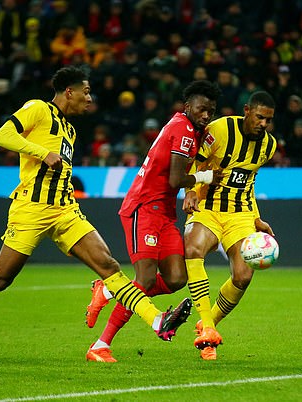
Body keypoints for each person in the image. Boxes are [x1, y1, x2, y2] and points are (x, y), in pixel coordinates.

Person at [0, 66, 192, 349]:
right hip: (31, 209)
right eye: (86, 92)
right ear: (68, 92)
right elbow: (2, 135)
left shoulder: (69, 129)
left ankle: (158, 321)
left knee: (108, 266)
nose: (90, 98)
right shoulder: (38, 109)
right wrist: (41, 152)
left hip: (65, 211)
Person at [84, 80, 223, 363]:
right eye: (201, 109)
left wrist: (191, 191)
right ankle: (100, 345)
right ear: (188, 107)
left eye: (211, 111)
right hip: (143, 208)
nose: (206, 115)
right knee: (145, 278)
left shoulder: (190, 129)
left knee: (176, 279)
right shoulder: (184, 130)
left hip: (165, 214)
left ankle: (109, 289)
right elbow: (175, 178)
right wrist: (206, 178)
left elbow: (181, 172)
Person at [182, 91, 278, 360]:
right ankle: (208, 332)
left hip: (241, 215)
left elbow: (248, 182)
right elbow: (193, 161)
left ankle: (207, 324)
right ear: (247, 111)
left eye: (268, 120)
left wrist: (256, 218)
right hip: (208, 209)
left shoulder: (268, 146)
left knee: (244, 276)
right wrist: (190, 191)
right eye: (259, 117)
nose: (263, 124)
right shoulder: (220, 129)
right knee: (193, 249)